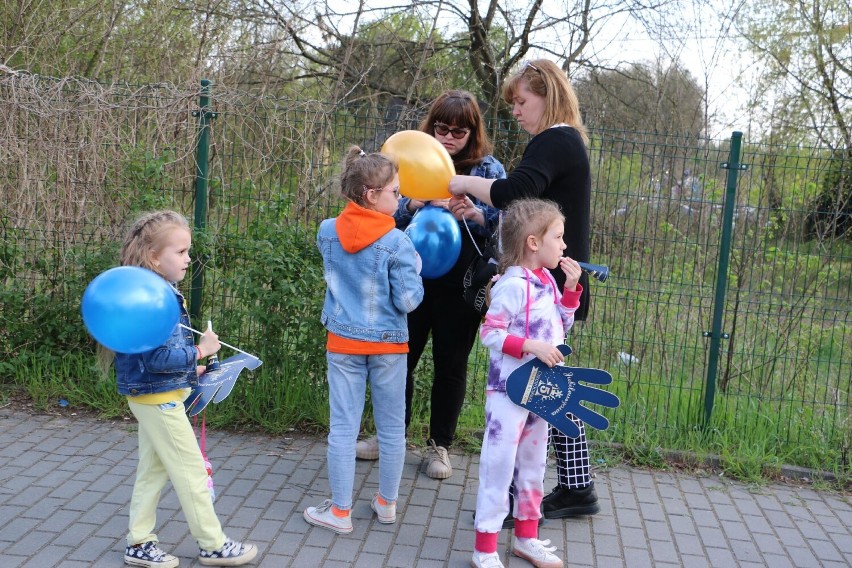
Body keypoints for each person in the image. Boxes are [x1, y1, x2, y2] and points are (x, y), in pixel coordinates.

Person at [449, 59, 599, 519]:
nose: (514, 110)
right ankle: (574, 487)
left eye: (520, 101)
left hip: (547, 286)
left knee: (535, 386)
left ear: (545, 95)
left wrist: (459, 182)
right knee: (548, 383)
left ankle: (535, 491)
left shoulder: (555, 139)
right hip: (553, 280)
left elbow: (516, 191)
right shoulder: (562, 141)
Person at [354, 90, 505, 480]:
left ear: (474, 133)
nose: (449, 138)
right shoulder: (405, 160)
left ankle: (440, 446)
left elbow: (507, 222)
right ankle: (390, 437)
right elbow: (379, 212)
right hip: (409, 279)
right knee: (398, 359)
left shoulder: (488, 170)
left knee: (450, 366)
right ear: (431, 127)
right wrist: (412, 205)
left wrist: (475, 213)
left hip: (462, 284)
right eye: (442, 128)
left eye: (460, 131)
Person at [113, 210, 257, 568]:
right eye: (180, 252)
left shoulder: (154, 291)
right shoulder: (153, 299)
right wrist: (199, 350)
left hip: (155, 393)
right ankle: (212, 544)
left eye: (187, 251)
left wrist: (191, 365)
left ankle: (139, 543)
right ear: (153, 257)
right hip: (158, 397)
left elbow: (155, 356)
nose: (188, 258)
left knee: (152, 471)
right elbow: (157, 359)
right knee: (192, 472)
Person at [304, 146, 424, 534]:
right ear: (371, 194)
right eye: (395, 192)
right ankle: (387, 504)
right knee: (391, 430)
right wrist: (417, 271)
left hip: (342, 343)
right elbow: (408, 300)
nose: (401, 198)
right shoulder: (398, 243)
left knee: (343, 428)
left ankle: (339, 513)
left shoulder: (327, 231)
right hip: (389, 346)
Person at [471, 199, 582, 568]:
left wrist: (570, 291)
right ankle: (485, 548)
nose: (564, 246)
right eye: (559, 237)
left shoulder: (547, 280)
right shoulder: (513, 285)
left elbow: (560, 328)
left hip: (541, 391)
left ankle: (526, 538)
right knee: (499, 465)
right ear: (534, 242)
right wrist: (529, 346)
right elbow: (490, 332)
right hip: (508, 393)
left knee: (534, 464)